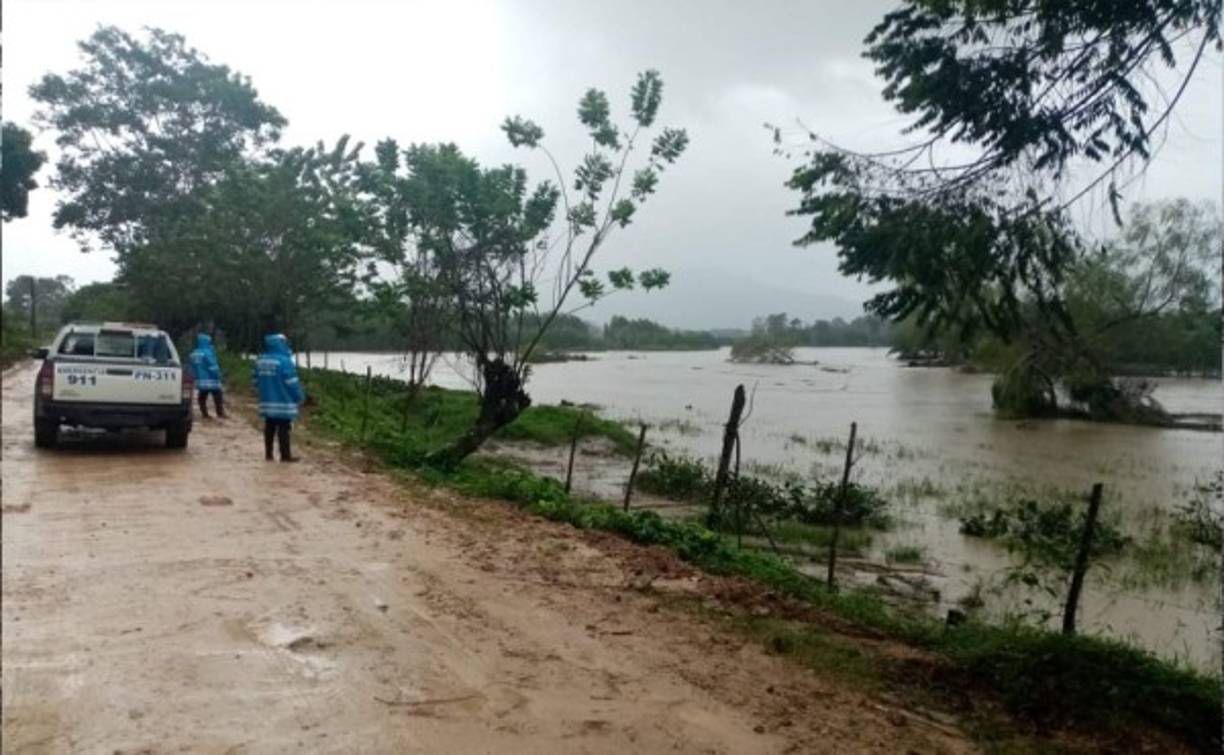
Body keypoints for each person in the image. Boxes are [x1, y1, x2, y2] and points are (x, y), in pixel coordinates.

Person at [254, 333, 305, 462]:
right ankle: (285, 455)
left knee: (269, 427)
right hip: (283, 401)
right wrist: (299, 396)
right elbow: (292, 382)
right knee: (283, 429)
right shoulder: (285, 361)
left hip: (266, 401)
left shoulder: (261, 360)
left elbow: (255, 380)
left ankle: (269, 454)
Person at [188, 333, 226, 418]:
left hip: (200, 380)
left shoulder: (194, 353)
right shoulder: (208, 352)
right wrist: (219, 375)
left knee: (202, 397)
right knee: (218, 396)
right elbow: (213, 366)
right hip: (212, 379)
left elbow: (191, 367)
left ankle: (204, 414)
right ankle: (220, 414)